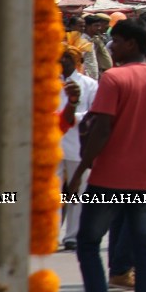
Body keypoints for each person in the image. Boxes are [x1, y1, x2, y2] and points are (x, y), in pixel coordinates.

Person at [66, 18, 146, 292]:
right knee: (145, 250)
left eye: (115, 41)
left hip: (109, 179)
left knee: (89, 243)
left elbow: (102, 128)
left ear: (131, 44)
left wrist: (80, 170)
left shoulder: (114, 79)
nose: (111, 46)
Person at [58, 41, 98, 252]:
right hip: (52, 142)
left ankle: (72, 235)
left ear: (76, 61)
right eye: (61, 56)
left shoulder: (89, 84)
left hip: (77, 142)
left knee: (77, 191)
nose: (62, 61)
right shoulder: (49, 82)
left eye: (67, 57)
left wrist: (72, 118)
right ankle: (52, 234)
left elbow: (94, 113)